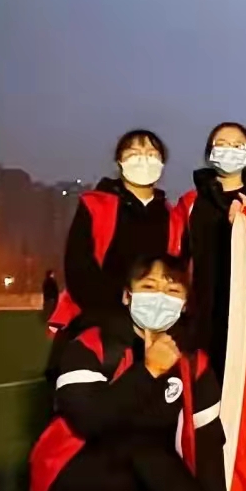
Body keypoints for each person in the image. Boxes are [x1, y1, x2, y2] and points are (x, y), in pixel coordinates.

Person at [31, 256, 225, 491]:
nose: (160, 297)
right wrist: (148, 371)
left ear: (185, 304)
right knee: (114, 457)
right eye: (148, 287)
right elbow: (90, 420)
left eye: (172, 290)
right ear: (127, 296)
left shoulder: (193, 362)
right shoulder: (91, 345)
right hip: (82, 471)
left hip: (147, 469)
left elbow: (210, 443)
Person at [49, 130, 184, 336]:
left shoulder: (172, 216)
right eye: (134, 153)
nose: (143, 160)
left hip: (155, 320)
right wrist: (113, 311)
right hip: (101, 318)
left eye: (151, 154)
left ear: (162, 163)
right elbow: (78, 267)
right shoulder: (95, 205)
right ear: (120, 162)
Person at [175, 122, 246, 382]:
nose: (229, 150)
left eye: (237, 145)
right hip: (202, 311)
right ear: (209, 152)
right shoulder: (191, 201)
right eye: (221, 144)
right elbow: (177, 255)